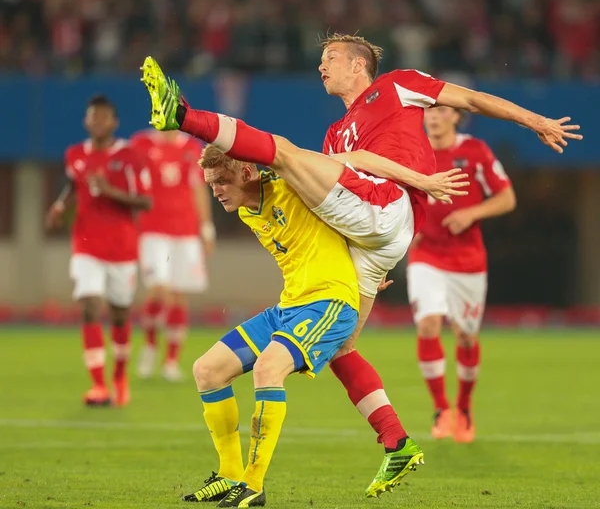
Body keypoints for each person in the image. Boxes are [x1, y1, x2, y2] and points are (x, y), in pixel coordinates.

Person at [140, 36, 580, 485]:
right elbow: (343, 181)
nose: (320, 67)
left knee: (287, 155)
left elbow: (468, 98)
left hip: (388, 206)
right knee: (342, 346)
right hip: (372, 234)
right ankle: (397, 442)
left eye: (329, 59)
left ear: (358, 65)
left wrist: (535, 120)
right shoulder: (335, 135)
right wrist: (369, 259)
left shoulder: (396, 86)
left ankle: (184, 117)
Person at [182, 145, 367, 507]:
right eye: (211, 184)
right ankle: (230, 474)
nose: (216, 190)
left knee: (267, 369)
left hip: (330, 303)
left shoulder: (291, 183)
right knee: (207, 370)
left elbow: (347, 202)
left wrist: (373, 268)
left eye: (222, 180)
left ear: (247, 173)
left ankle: (253, 484)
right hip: (289, 307)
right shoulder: (249, 211)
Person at [408, 106, 516, 443]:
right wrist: (410, 226)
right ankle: (441, 409)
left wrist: (471, 213)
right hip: (426, 256)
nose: (434, 116)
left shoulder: (475, 151)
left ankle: (464, 407)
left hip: (468, 261)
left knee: (466, 336)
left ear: (457, 116)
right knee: (428, 324)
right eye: (429, 110)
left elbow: (507, 198)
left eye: (442, 110)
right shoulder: (414, 152)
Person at [46, 95, 151, 406]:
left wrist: (110, 191)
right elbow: (72, 185)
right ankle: (98, 386)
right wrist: (60, 207)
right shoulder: (75, 154)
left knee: (119, 315)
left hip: (122, 248)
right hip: (86, 245)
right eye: (93, 117)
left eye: (103, 118)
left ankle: (120, 375)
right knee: (89, 305)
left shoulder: (129, 156)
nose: (97, 122)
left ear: (114, 123)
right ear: (86, 121)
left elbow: (145, 201)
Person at [131, 129, 216, 382]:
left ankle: (171, 360)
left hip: (185, 230)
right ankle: (149, 345)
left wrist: (206, 228)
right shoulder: (142, 144)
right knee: (159, 288)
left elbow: (198, 188)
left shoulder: (191, 148)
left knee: (178, 293)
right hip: (153, 230)